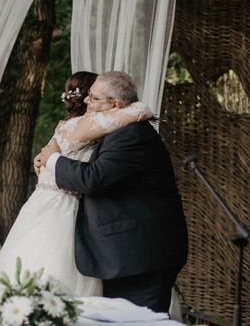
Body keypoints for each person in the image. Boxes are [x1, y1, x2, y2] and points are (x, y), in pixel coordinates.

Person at [0, 71, 154, 297]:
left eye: (94, 98)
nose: (89, 101)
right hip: (65, 212)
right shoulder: (89, 125)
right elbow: (140, 110)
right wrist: (137, 109)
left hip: (40, 209)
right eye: (91, 96)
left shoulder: (65, 128)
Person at [39, 71, 188, 313]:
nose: (87, 101)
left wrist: (53, 159)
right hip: (123, 255)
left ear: (115, 105)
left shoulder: (132, 135)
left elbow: (93, 178)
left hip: (141, 257)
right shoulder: (116, 132)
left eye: (95, 98)